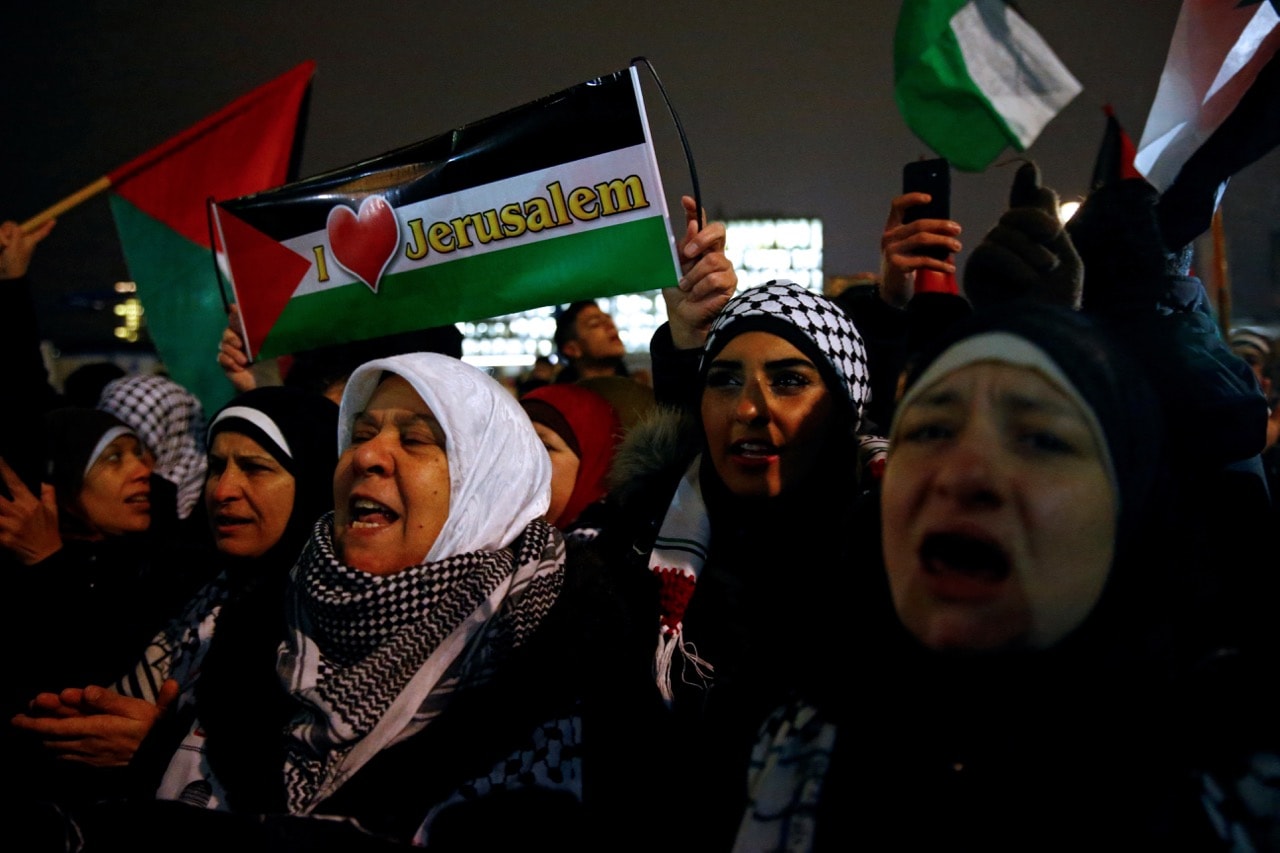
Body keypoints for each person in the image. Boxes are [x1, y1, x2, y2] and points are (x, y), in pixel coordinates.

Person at [23, 352, 634, 850]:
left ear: (486, 481)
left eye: (417, 441)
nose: (367, 456)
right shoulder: (254, 626)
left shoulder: (560, 648)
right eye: (361, 434)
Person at [577, 278, 873, 850]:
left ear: (843, 406)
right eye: (724, 380)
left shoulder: (886, 565)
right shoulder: (627, 549)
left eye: (788, 381)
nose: (748, 408)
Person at [8, 386, 340, 806]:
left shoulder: (328, 616)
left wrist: (162, 748)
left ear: (313, 478)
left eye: (255, 468)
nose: (223, 491)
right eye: (216, 467)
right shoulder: (207, 590)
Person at [0, 407, 214, 807]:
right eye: (114, 458)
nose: (141, 471)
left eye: (140, 453)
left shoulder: (170, 566)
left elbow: (100, 669)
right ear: (61, 479)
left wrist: (49, 565)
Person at [97, 373, 209, 527]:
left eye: (138, 451)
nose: (132, 468)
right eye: (113, 455)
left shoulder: (210, 509)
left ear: (171, 441)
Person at [519, 383, 623, 540]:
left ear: (593, 463)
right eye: (513, 444)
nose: (521, 460)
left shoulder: (606, 552)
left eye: (546, 447)